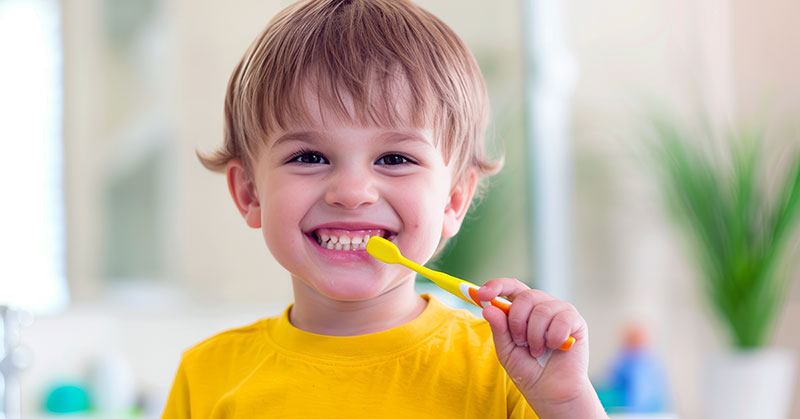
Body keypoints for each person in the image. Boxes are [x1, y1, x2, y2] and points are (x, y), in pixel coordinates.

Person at [163, 0, 605, 417]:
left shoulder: (511, 371)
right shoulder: (205, 377)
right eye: (309, 157)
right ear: (249, 194)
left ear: (454, 200)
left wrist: (565, 404)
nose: (352, 192)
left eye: (395, 159)